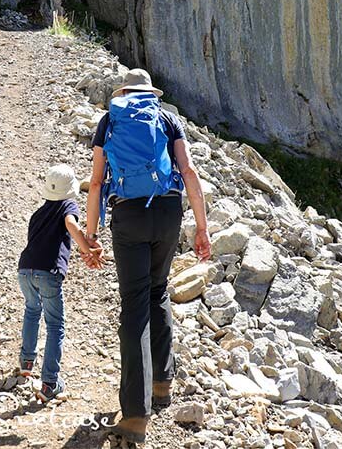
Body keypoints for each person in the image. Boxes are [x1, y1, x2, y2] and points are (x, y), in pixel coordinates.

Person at [85, 68, 211, 445]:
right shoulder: (168, 119)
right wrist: (202, 227)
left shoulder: (111, 120)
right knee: (158, 290)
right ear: (150, 93)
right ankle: (162, 384)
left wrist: (90, 234)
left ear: (123, 92)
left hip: (129, 214)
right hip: (169, 211)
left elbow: (95, 180)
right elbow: (187, 170)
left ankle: (136, 416)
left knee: (135, 303)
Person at [17, 163, 103, 402]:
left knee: (32, 311)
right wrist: (87, 250)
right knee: (55, 325)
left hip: (25, 269)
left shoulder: (38, 214)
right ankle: (49, 383)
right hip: (49, 271)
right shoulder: (68, 205)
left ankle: (26, 362)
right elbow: (71, 225)